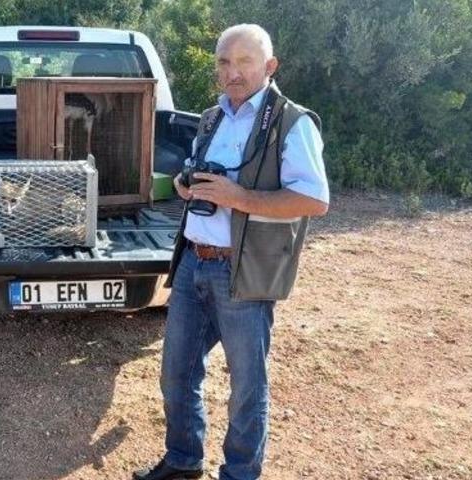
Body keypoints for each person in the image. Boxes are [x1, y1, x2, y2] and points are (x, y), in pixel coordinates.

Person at [134, 24, 329, 480]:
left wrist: (236, 196)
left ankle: (240, 473)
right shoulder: (211, 117)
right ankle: (183, 460)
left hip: (243, 272)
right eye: (224, 62)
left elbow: (314, 200)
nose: (233, 72)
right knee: (176, 375)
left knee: (246, 387)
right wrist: (186, 184)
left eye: (244, 61)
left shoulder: (291, 121)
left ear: (269, 66)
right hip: (193, 263)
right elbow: (197, 172)